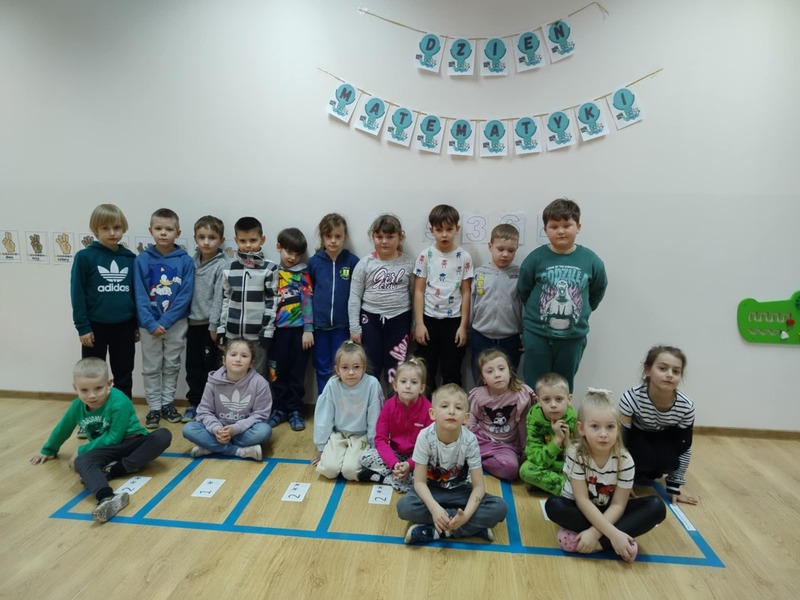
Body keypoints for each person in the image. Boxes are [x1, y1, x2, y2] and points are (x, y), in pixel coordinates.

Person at [30, 357, 172, 523]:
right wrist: (49, 449)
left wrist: (81, 449)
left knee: (163, 435)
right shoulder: (77, 406)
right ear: (75, 389)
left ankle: (114, 470)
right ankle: (107, 498)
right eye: (84, 390)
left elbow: (114, 437)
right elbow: (63, 428)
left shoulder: (119, 401)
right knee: (82, 461)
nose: (92, 395)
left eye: (98, 388)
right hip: (106, 449)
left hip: (132, 442)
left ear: (109, 384)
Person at [544, 388, 666, 562]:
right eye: (595, 426)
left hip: (611, 511)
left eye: (610, 427)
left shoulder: (625, 460)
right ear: (581, 428)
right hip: (582, 508)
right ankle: (619, 540)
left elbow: (618, 504)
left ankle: (596, 543)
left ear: (618, 428)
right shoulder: (575, 452)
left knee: (657, 507)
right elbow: (582, 500)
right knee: (554, 505)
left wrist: (594, 534)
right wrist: (614, 533)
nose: (603, 434)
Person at [396, 383, 508, 544]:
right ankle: (471, 528)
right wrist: (435, 509)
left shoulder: (470, 440)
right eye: (444, 406)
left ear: (466, 418)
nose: (451, 411)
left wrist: (466, 515)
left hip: (460, 492)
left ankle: (435, 531)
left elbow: (478, 487)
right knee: (404, 507)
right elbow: (419, 483)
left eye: (458, 407)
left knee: (499, 508)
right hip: (432, 490)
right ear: (432, 413)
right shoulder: (424, 436)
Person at [518, 198, 607, 393]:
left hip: (572, 339)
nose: (561, 231)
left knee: (563, 386)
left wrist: (583, 309)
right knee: (534, 386)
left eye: (567, 225)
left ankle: (562, 414)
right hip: (537, 335)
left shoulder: (591, 260)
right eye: (554, 226)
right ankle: (533, 414)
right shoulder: (535, 258)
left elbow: (597, 291)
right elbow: (524, 289)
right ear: (545, 230)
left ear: (578, 227)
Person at [70, 204, 137, 409]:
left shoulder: (129, 258)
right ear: (95, 230)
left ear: (123, 228)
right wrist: (82, 326)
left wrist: (135, 324)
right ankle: (93, 414)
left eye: (116, 227)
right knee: (92, 376)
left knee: (124, 373)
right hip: (94, 328)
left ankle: (123, 413)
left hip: (124, 326)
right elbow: (77, 293)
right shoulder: (84, 257)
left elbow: (135, 294)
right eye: (105, 228)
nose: (112, 233)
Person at [135, 208, 194, 429]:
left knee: (171, 365)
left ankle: (167, 403)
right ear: (150, 230)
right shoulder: (142, 260)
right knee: (151, 367)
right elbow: (140, 294)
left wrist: (166, 321)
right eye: (158, 228)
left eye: (168, 229)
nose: (163, 233)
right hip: (148, 325)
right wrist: (151, 323)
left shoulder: (185, 261)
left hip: (176, 324)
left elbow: (185, 295)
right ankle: (154, 407)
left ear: (177, 233)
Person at [619, 345, 698, 505]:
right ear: (647, 370)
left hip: (663, 436)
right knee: (645, 459)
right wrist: (622, 483)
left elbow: (684, 447)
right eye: (662, 368)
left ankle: (650, 472)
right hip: (636, 435)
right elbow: (620, 443)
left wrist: (674, 486)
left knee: (670, 462)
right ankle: (638, 472)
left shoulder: (686, 406)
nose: (669, 375)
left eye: (676, 371)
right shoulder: (631, 398)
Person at [349, 214, 415, 386]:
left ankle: (395, 402)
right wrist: (354, 328)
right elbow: (354, 297)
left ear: (400, 238)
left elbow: (415, 295)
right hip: (370, 320)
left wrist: (415, 324)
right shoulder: (365, 264)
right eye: (379, 237)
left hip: (399, 319)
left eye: (390, 237)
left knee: (396, 369)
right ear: (373, 237)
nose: (384, 241)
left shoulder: (409, 263)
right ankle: (371, 401)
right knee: (371, 367)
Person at [413, 204, 473, 392]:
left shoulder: (464, 257)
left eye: (449, 229)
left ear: (457, 229)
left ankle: (451, 409)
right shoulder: (425, 255)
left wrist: (463, 326)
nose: (444, 234)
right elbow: (419, 291)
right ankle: (425, 410)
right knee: (425, 373)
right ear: (431, 230)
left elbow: (466, 292)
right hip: (428, 321)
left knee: (452, 373)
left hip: (453, 322)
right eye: (439, 230)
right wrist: (419, 324)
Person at [182, 339, 272, 461]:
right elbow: (204, 411)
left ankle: (212, 447)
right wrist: (217, 429)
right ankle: (238, 451)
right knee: (188, 429)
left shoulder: (260, 383)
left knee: (264, 431)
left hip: (243, 431)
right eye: (233, 354)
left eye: (244, 356)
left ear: (251, 363)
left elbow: (260, 415)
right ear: (224, 360)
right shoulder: (213, 381)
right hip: (217, 431)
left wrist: (235, 429)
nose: (238, 359)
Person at [357, 357, 433, 492]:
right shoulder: (389, 406)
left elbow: (430, 445)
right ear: (395, 385)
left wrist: (410, 464)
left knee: (432, 472)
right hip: (395, 455)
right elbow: (380, 440)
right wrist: (394, 464)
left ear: (421, 388)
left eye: (414, 382)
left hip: (418, 457)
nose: (408, 386)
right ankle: (400, 479)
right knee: (365, 457)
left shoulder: (428, 409)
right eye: (403, 381)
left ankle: (384, 479)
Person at [312, 341, 384, 480]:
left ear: (364, 368)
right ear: (337, 369)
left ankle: (349, 459)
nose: (351, 372)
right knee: (329, 470)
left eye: (356, 367)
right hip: (338, 434)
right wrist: (321, 448)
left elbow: (375, 419)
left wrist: (374, 448)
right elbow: (324, 418)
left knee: (350, 471)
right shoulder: (332, 384)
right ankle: (340, 457)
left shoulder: (372, 384)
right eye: (345, 367)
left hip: (361, 436)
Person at [217, 216, 278, 380]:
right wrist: (221, 328)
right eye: (243, 241)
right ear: (236, 240)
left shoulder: (270, 268)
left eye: (253, 240)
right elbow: (226, 300)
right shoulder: (229, 268)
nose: (248, 245)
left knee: (258, 376)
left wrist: (267, 331)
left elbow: (272, 301)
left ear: (262, 239)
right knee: (232, 374)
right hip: (232, 334)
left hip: (258, 336)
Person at [266, 227, 314, 432]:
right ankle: (279, 409)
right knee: (276, 371)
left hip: (299, 332)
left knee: (297, 372)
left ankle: (294, 409)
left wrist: (308, 329)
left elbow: (308, 301)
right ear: (279, 247)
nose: (292, 257)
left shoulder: (303, 274)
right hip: (276, 332)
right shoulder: (271, 272)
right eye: (288, 252)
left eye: (297, 254)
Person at [308, 213, 359, 395]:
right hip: (319, 327)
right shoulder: (314, 262)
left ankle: (341, 406)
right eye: (328, 236)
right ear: (322, 237)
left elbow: (357, 295)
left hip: (342, 327)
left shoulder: (353, 262)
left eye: (338, 236)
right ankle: (324, 405)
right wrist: (309, 326)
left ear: (345, 237)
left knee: (343, 368)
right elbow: (308, 294)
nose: (333, 241)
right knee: (322, 368)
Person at [183, 215, 227, 423]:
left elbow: (219, 297)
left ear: (221, 240)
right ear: (195, 238)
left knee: (210, 368)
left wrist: (214, 325)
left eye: (212, 237)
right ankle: (194, 403)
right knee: (192, 367)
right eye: (201, 237)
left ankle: (210, 407)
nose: (206, 242)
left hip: (210, 327)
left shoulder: (222, 266)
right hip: (191, 325)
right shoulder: (189, 262)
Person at [469, 223, 523, 385]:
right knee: (481, 382)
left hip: (511, 339)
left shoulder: (519, 274)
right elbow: (471, 301)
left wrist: (525, 335)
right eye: (500, 249)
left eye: (511, 250)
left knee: (509, 383)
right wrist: (467, 329)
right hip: (481, 336)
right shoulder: (479, 273)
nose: (505, 254)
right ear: (490, 246)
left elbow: (525, 305)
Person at [466, 349, 532, 481]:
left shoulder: (520, 394)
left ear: (509, 372)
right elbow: (472, 417)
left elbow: (523, 424)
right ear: (483, 378)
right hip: (482, 440)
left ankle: (476, 461)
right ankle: (470, 456)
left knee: (511, 470)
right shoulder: (479, 395)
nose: (497, 375)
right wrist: (469, 435)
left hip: (505, 446)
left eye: (501, 369)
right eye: (490, 371)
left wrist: (525, 450)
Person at [519, 372, 578, 495]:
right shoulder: (534, 418)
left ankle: (553, 485)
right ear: (538, 401)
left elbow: (581, 455)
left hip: (567, 465)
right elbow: (534, 456)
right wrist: (557, 440)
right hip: (545, 465)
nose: (553, 405)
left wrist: (567, 443)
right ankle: (570, 490)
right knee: (525, 471)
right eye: (546, 400)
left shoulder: (574, 417)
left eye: (559, 399)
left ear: (569, 399)